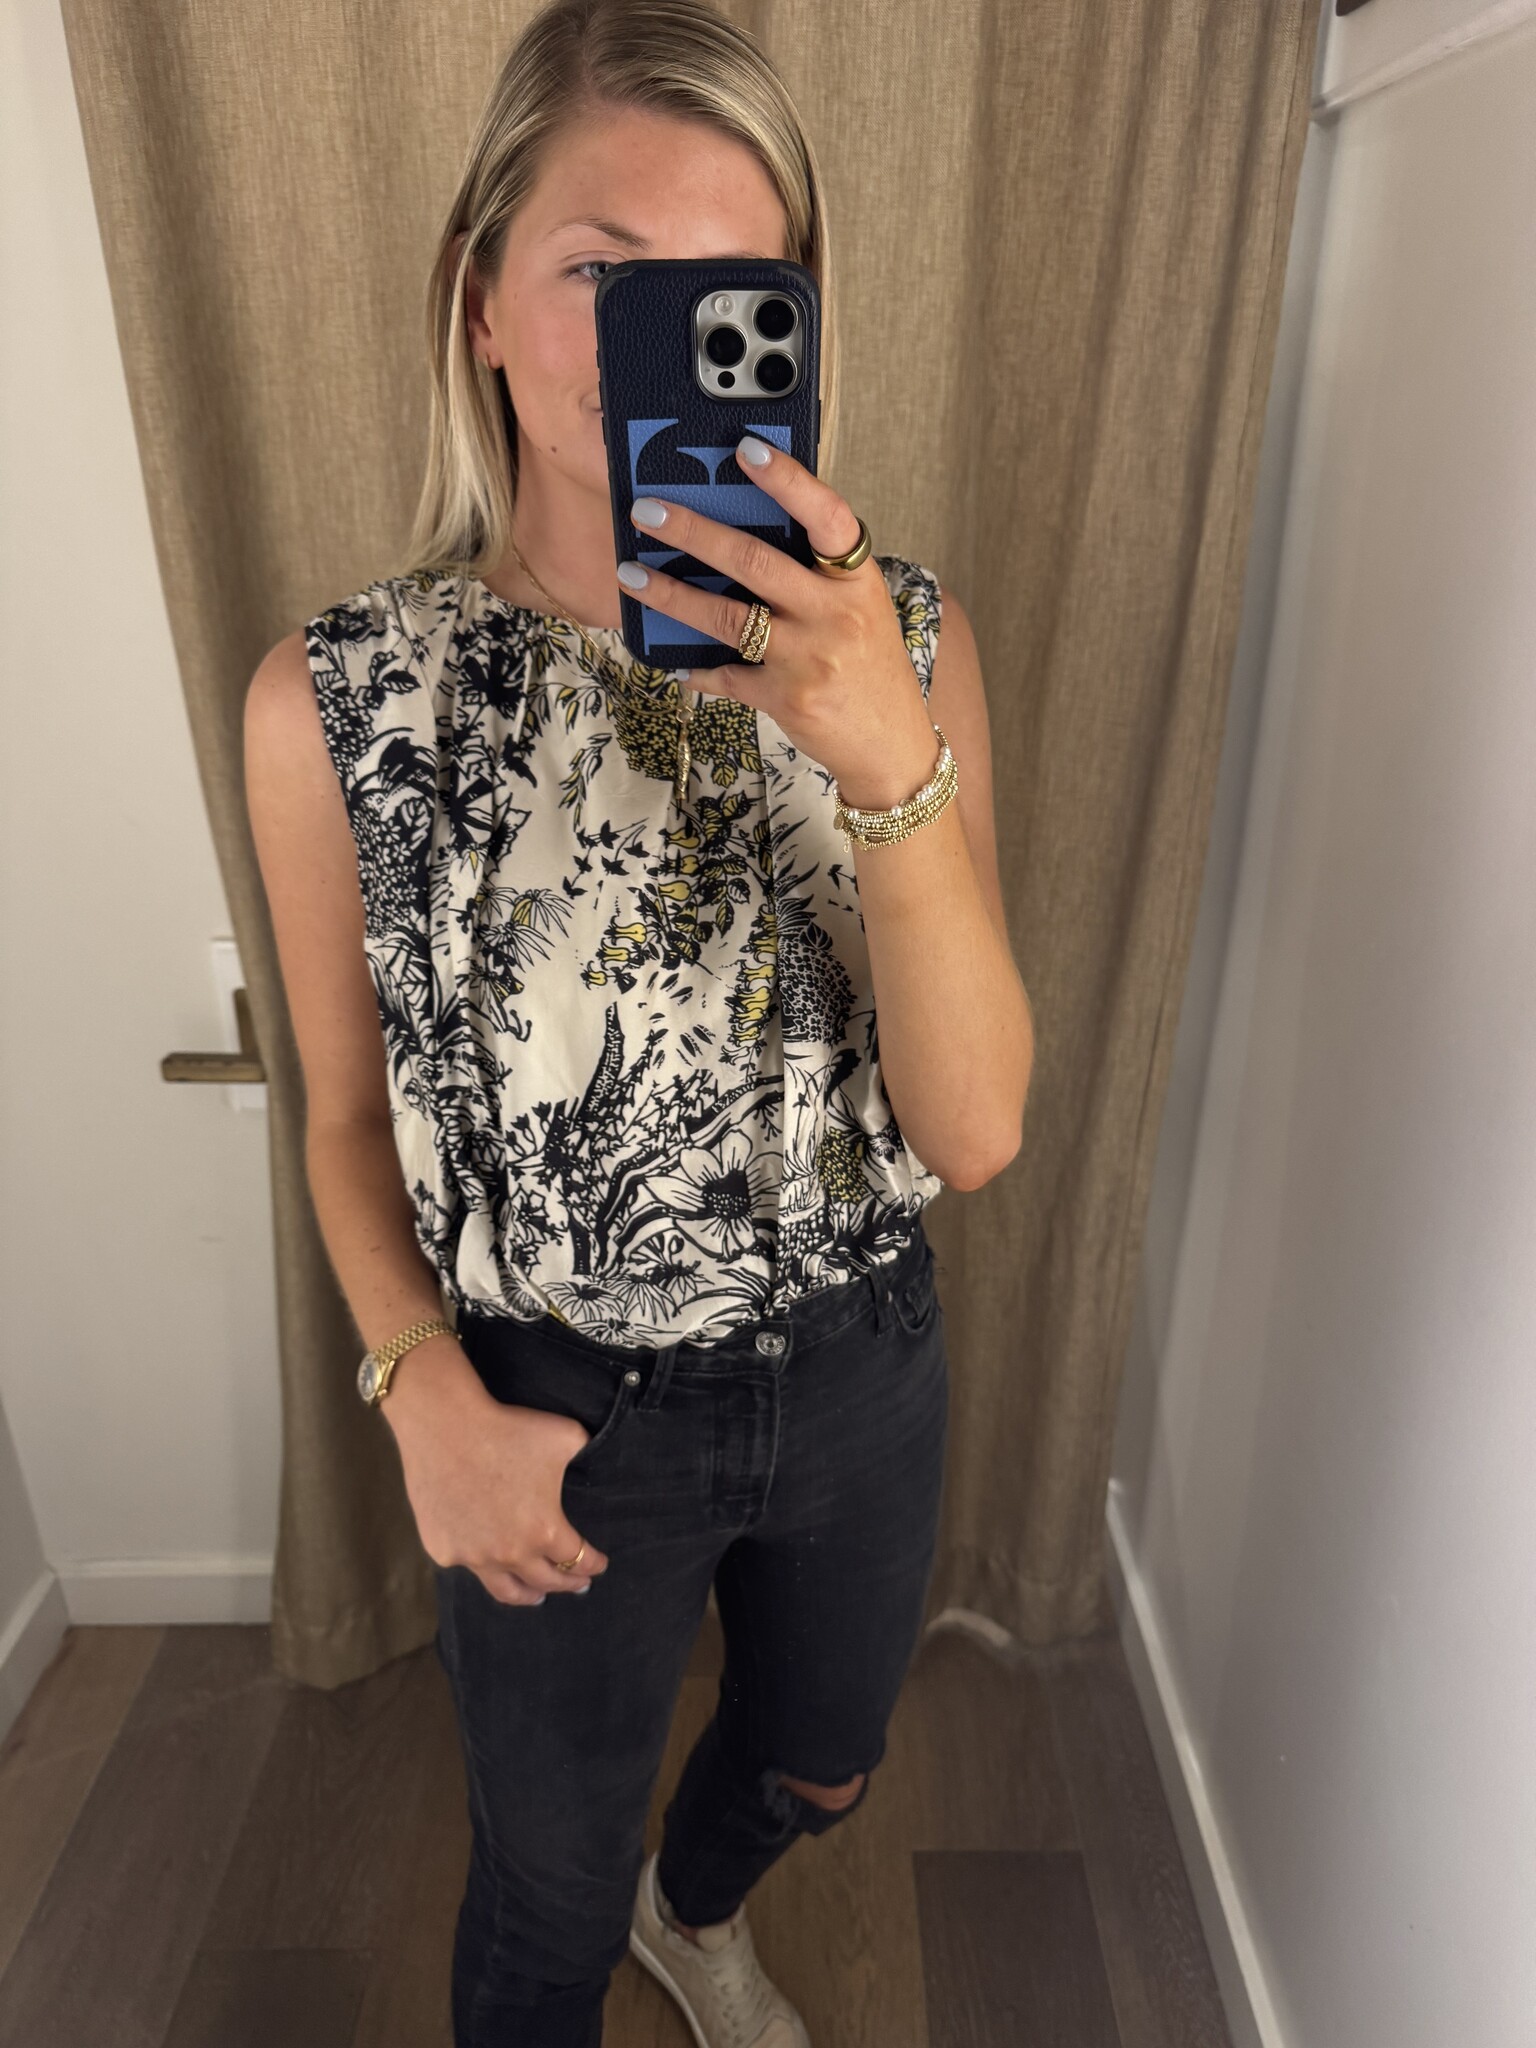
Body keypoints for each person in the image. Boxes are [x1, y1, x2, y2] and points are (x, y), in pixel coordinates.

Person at [245, 2, 1032, 2042]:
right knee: (542, 1894)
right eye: (603, 272)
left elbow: (973, 1132)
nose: (653, 340)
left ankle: (707, 1909)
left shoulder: (910, 641)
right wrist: (418, 1389)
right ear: (480, 297)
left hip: (862, 1358)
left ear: (792, 326)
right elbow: (339, 1113)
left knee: (824, 1763)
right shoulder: (339, 700)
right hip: (555, 1393)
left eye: (726, 287)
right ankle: (621, 1920)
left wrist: (892, 763)